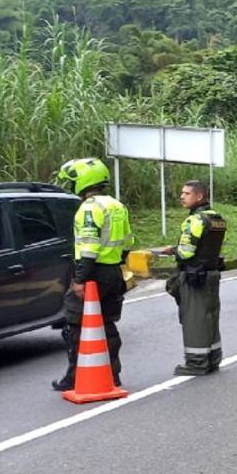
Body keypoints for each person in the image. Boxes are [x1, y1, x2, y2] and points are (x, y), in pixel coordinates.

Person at [52, 158, 135, 391]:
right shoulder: (117, 206)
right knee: (107, 324)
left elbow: (88, 248)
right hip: (113, 272)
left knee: (76, 325)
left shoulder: (89, 209)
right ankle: (113, 374)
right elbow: (127, 242)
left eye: (72, 182)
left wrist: (80, 280)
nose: (71, 187)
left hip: (93, 274)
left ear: (83, 182)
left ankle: (75, 376)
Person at [162, 181, 228, 376]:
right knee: (210, 317)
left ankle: (196, 363)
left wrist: (172, 250)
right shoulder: (218, 219)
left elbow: (186, 253)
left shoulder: (195, 220)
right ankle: (213, 359)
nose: (182, 197)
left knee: (195, 320)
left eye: (187, 193)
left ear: (199, 197)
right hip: (211, 274)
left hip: (194, 277)